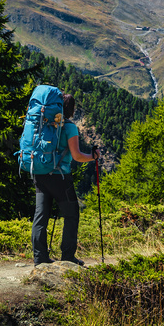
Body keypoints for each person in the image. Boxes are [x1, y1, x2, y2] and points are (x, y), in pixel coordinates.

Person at [31, 93, 99, 266]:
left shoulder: (43, 123)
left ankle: (40, 258)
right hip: (60, 177)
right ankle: (68, 256)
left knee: (41, 216)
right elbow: (76, 156)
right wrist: (93, 156)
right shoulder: (69, 127)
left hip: (39, 173)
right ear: (71, 109)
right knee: (71, 215)